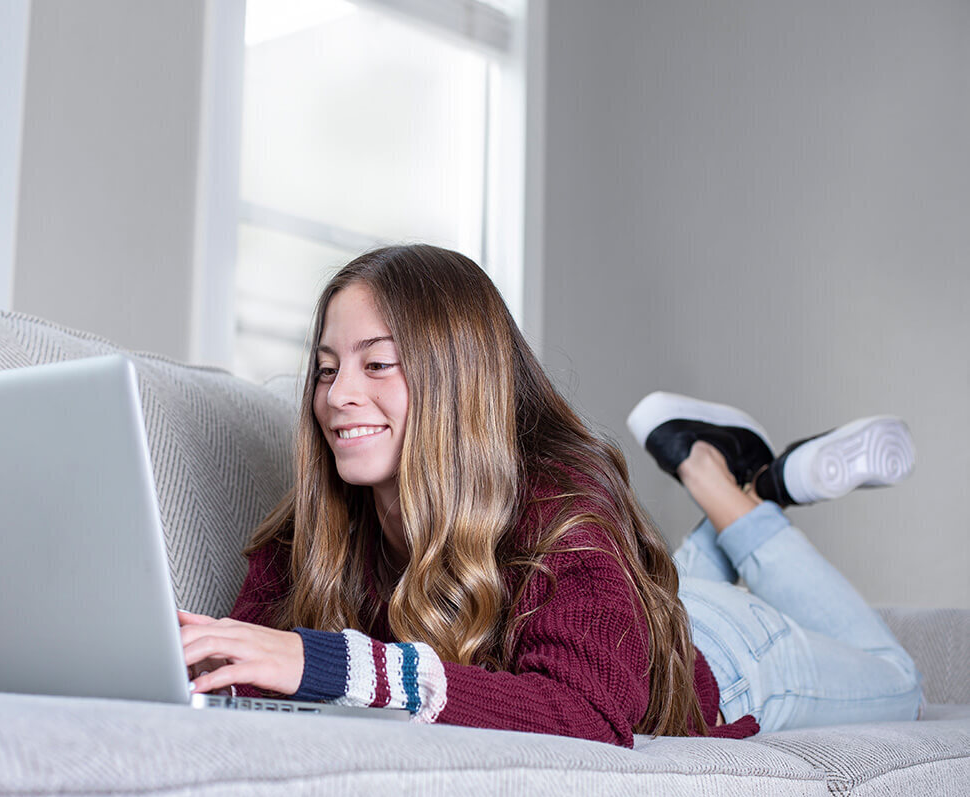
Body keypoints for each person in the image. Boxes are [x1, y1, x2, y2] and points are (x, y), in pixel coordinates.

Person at [178, 244, 924, 747]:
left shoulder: (560, 503)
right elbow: (242, 668)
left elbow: (589, 714)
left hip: (726, 656)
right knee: (656, 588)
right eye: (325, 368)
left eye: (378, 364)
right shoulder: (313, 525)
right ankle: (743, 479)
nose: (338, 395)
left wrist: (333, 664)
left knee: (900, 679)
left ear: (458, 379)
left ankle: (723, 484)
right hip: (631, 611)